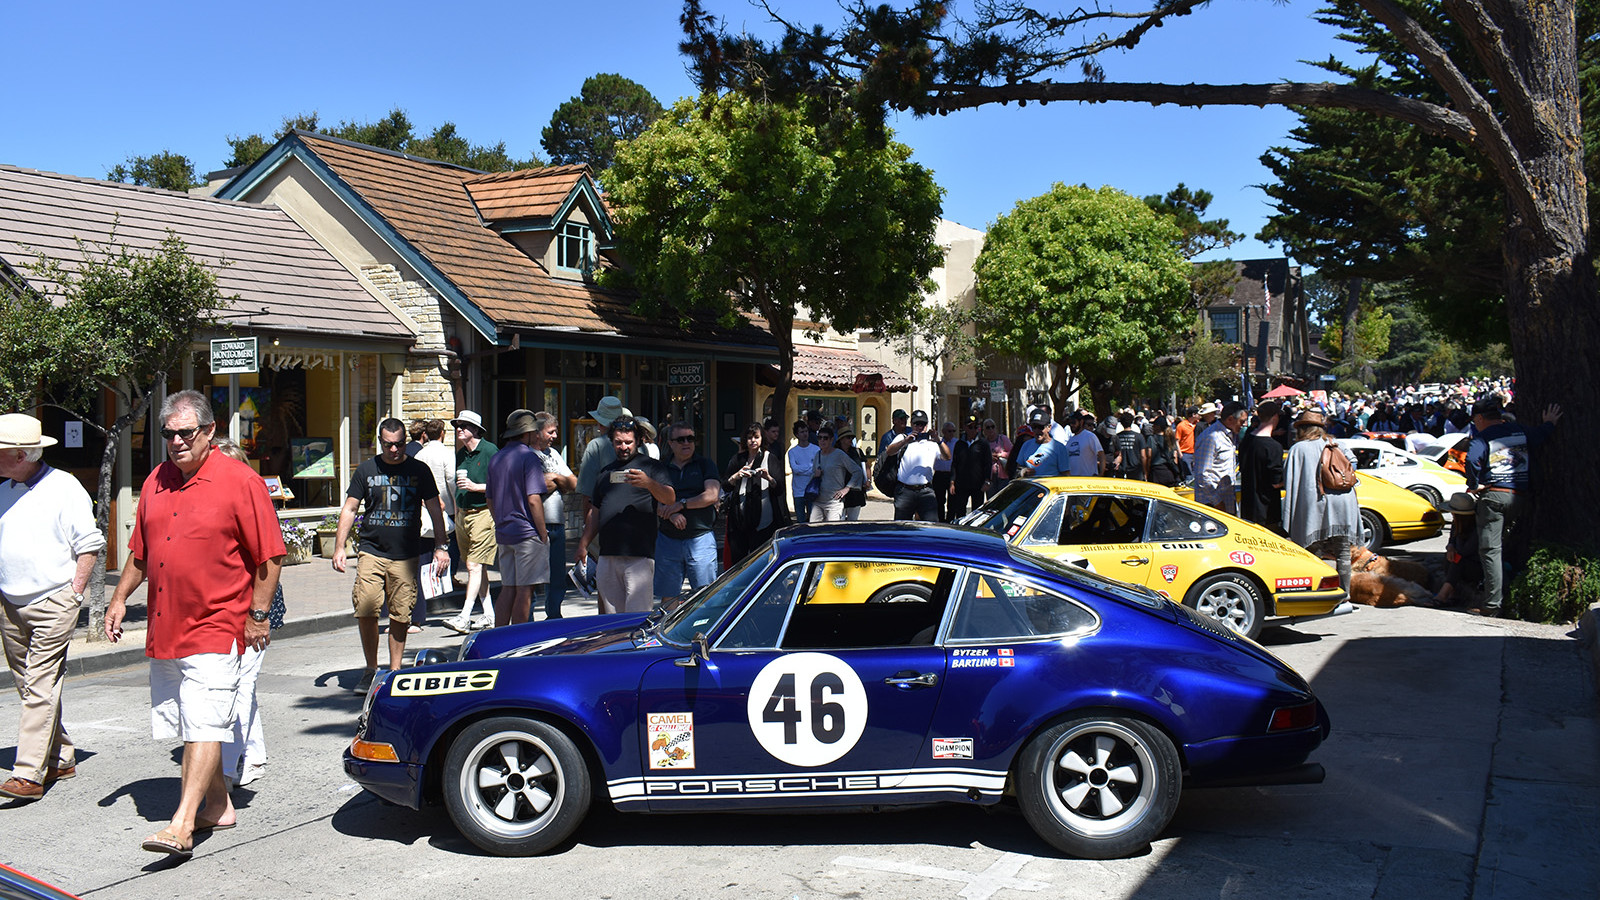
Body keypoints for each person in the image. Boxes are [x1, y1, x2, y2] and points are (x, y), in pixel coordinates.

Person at [106, 390, 285, 859]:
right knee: (189, 722)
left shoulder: (240, 482)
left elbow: (270, 557)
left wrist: (257, 617)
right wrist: (119, 598)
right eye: (169, 434)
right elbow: (141, 553)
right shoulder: (155, 482)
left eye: (186, 433)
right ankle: (218, 806)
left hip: (218, 624)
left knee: (205, 722)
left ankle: (181, 824)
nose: (177, 442)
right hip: (167, 629)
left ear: (209, 432)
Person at [0, 414, 104, 802]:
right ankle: (60, 756)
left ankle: (27, 774)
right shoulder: (5, 489)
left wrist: (74, 594)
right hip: (11, 603)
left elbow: (89, 545)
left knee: (39, 685)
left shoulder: (64, 487)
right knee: (32, 688)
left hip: (52, 601)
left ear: (24, 454)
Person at [334, 418, 450, 692]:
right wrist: (340, 547)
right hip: (371, 550)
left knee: (401, 613)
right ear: (380, 441)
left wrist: (441, 546)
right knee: (366, 607)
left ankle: (395, 670)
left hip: (406, 554)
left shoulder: (418, 470)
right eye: (389, 445)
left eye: (399, 444)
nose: (395, 450)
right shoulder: (366, 469)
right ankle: (371, 669)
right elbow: (350, 509)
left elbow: (435, 509)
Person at [210, 439, 286, 791]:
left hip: (254, 608)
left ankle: (225, 769)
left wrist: (259, 614)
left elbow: (270, 559)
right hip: (224, 609)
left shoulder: (250, 498)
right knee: (243, 687)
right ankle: (253, 755)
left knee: (238, 687)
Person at [1464, 396, 1562, 616]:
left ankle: (1491, 604)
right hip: (1519, 497)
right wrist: (1549, 422)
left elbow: (1471, 460)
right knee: (1502, 546)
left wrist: (1474, 483)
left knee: (1490, 550)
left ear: (1479, 418)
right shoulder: (1519, 431)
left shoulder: (1482, 436)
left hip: (1494, 496)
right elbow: (1540, 435)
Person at [575, 418, 675, 613]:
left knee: (637, 618)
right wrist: (583, 544)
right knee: (612, 621)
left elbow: (670, 498)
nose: (623, 447)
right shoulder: (605, 473)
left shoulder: (653, 467)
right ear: (611, 442)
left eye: (628, 442)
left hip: (639, 556)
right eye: (618, 442)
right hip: (607, 555)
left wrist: (648, 483)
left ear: (637, 441)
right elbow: (595, 512)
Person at [1282, 410, 1361, 591]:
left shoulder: (1298, 449)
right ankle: (1345, 593)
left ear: (1302, 429)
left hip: (1316, 503)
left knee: (1315, 550)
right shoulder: (1336, 444)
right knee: (1342, 552)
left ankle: (1320, 591)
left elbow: (1289, 480)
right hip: (1342, 502)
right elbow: (1353, 465)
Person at [486, 410, 549, 627]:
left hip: (504, 532)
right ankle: (518, 642)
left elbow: (490, 500)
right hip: (526, 532)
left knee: (508, 588)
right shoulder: (528, 457)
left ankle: (499, 636)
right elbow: (534, 499)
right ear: (528, 433)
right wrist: (543, 533)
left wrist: (500, 522)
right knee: (525, 589)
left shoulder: (497, 457)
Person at [654, 422, 723, 600]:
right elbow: (652, 499)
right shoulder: (661, 467)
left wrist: (681, 504)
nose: (687, 443)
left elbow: (712, 495)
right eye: (681, 439)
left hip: (700, 539)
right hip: (668, 540)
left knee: (705, 597)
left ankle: (703, 629)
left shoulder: (705, 464)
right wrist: (669, 512)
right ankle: (671, 629)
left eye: (690, 438)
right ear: (670, 443)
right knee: (668, 599)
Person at [447, 410, 496, 634]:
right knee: (478, 568)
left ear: (475, 430)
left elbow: (501, 484)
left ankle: (464, 616)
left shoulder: (489, 451)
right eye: (457, 425)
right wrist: (457, 511)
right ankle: (488, 615)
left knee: (473, 566)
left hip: (483, 513)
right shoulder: (461, 454)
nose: (459, 429)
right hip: (463, 515)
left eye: (464, 426)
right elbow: (457, 485)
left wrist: (476, 487)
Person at [527, 411, 576, 620]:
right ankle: (527, 621)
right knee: (531, 578)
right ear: (537, 432)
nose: (555, 436)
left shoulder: (554, 454)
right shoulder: (527, 455)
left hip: (557, 525)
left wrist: (555, 476)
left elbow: (573, 483)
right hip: (535, 525)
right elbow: (538, 487)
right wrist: (557, 483)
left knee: (557, 577)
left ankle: (554, 615)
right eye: (551, 431)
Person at [408, 418, 454, 632]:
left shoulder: (420, 455)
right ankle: (418, 615)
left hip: (422, 517)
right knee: (428, 564)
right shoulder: (446, 453)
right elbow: (452, 481)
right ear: (442, 433)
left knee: (418, 567)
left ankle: (416, 615)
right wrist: (456, 506)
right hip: (439, 513)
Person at [723, 423, 789, 564]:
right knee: (738, 563)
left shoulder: (770, 458)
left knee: (760, 562)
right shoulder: (738, 459)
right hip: (739, 520)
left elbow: (779, 488)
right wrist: (737, 476)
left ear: (762, 439)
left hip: (764, 521)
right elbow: (726, 485)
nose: (753, 440)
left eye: (756, 437)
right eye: (749, 438)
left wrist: (768, 477)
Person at [887, 411, 950, 521]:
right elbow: (889, 451)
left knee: (931, 526)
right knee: (901, 526)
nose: (920, 427)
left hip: (926, 491)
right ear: (911, 424)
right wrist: (906, 441)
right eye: (917, 424)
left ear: (926, 426)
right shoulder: (903, 437)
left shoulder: (933, 442)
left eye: (923, 424)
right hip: (905, 490)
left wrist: (938, 440)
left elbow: (947, 456)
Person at [1239, 400, 1286, 532]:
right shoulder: (1274, 447)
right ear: (1275, 417)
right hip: (1267, 511)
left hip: (1247, 507)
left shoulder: (1246, 441)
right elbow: (1275, 482)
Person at [1193, 401, 1246, 515]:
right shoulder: (1211, 437)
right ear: (1230, 419)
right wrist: (1217, 502)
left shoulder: (1229, 435)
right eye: (1241, 421)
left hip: (1225, 502)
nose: (1244, 425)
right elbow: (1202, 475)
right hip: (1212, 507)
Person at [809, 424, 867, 522]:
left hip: (834, 503)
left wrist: (847, 488)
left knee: (833, 533)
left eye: (825, 438)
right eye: (819, 438)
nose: (822, 440)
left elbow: (857, 471)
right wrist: (815, 475)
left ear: (831, 440)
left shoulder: (839, 455)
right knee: (814, 531)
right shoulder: (817, 455)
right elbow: (813, 474)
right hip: (818, 501)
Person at [949, 417, 990, 519]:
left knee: (977, 513)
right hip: (961, 484)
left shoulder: (983, 443)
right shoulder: (959, 444)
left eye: (976, 427)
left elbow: (988, 463)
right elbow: (954, 463)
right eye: (970, 427)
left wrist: (987, 480)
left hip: (978, 485)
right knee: (960, 511)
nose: (973, 430)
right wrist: (952, 482)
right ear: (965, 428)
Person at [787, 419, 820, 524]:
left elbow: (817, 468)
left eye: (806, 431)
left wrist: (804, 468)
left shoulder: (816, 449)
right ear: (797, 434)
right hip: (798, 491)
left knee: (813, 520)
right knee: (800, 521)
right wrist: (810, 468)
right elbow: (795, 469)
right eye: (802, 432)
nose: (805, 434)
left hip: (812, 489)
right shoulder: (792, 452)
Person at [836, 426, 869, 520]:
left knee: (853, 521)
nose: (851, 439)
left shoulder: (857, 452)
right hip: (839, 490)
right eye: (848, 437)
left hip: (855, 491)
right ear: (841, 439)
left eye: (851, 437)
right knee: (839, 520)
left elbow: (866, 466)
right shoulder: (835, 452)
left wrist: (868, 480)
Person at [1061, 411, 1106, 477]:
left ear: (1081, 422)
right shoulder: (1070, 441)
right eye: (1070, 423)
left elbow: (1101, 455)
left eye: (1073, 422)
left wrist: (1101, 474)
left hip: (1088, 479)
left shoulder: (1090, 436)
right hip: (1073, 480)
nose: (1071, 425)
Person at [1145, 417, 1184, 486]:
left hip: (1156, 472)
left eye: (1154, 425)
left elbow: (1149, 456)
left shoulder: (1151, 438)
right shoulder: (1171, 438)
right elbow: (1175, 457)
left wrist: (1147, 471)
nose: (1153, 427)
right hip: (1169, 471)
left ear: (1158, 427)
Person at [931, 421, 957, 520]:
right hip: (939, 474)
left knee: (952, 501)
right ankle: (940, 520)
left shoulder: (956, 442)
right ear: (943, 431)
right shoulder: (937, 442)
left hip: (952, 475)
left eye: (953, 431)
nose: (951, 433)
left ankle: (950, 520)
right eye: (949, 431)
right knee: (939, 500)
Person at [1111, 410, 1147, 480]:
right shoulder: (1139, 437)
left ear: (1121, 423)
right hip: (1136, 471)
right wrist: (1145, 471)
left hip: (1121, 470)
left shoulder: (1116, 437)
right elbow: (1143, 456)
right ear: (1132, 422)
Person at [982, 419, 1012, 498]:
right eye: (988, 427)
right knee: (992, 501)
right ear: (984, 430)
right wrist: (989, 457)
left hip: (1003, 475)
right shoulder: (983, 443)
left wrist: (1001, 455)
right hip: (990, 478)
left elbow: (1012, 453)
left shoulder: (1003, 439)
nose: (991, 429)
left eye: (992, 427)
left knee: (1003, 499)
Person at [1175, 405, 1200, 474]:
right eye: (1198, 414)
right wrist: (1180, 453)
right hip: (1185, 454)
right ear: (1193, 414)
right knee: (1188, 475)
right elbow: (1177, 440)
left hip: (1196, 453)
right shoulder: (1181, 425)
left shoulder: (1198, 425)